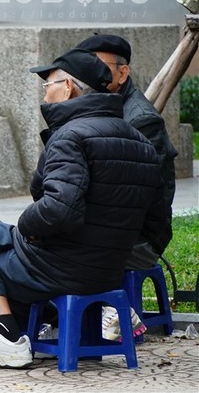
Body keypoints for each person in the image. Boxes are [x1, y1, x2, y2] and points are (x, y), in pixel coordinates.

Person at [0, 49, 167, 369]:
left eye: (48, 84)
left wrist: (25, 228)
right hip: (109, 272)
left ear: (68, 88)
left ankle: (7, 337)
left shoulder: (71, 136)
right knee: (1, 246)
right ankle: (20, 332)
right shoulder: (140, 142)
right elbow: (155, 221)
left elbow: (59, 210)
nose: (45, 93)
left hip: (60, 268)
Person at [75, 34, 178, 341]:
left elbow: (132, 200)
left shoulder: (141, 121)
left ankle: (113, 310)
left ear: (123, 73)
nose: (94, 75)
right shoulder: (94, 107)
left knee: (58, 252)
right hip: (106, 228)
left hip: (139, 237)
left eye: (102, 67)